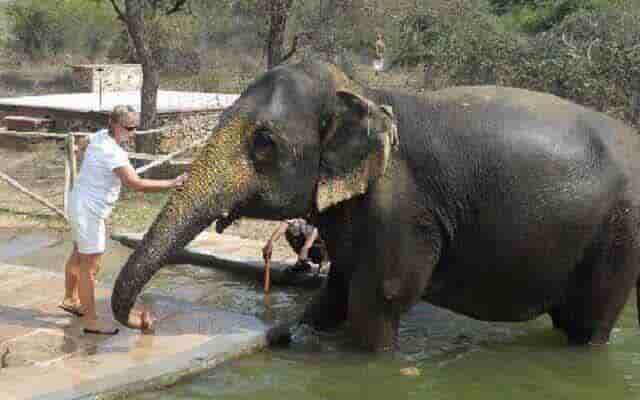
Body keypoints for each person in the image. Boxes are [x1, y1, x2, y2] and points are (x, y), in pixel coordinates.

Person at [58, 105, 188, 335]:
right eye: (129, 127)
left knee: (78, 253)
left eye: (136, 127)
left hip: (79, 203)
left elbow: (84, 142)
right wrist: (172, 184)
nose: (133, 132)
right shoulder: (112, 151)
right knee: (90, 267)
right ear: (114, 124)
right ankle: (90, 322)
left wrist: (79, 150)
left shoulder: (100, 136)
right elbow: (135, 183)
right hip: (89, 212)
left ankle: (70, 298)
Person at [262, 219, 329, 274]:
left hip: (324, 245)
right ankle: (303, 264)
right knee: (291, 231)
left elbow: (315, 232)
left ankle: (324, 262)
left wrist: (305, 249)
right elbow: (283, 226)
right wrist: (270, 244)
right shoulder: (297, 215)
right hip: (308, 241)